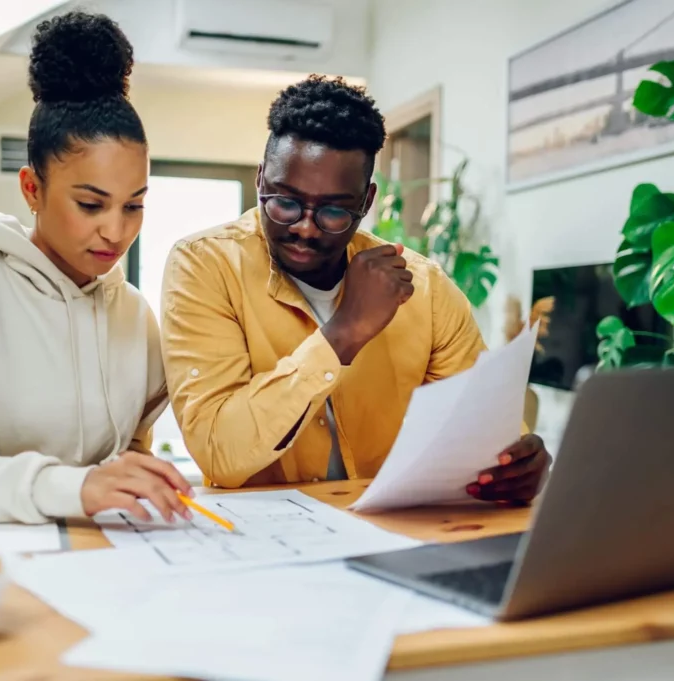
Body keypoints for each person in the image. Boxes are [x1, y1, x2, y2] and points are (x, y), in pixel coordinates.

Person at [160, 76, 551, 501]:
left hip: (388, 530)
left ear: (366, 202)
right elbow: (220, 453)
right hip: (259, 540)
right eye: (285, 203)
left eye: (332, 211)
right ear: (260, 180)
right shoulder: (205, 265)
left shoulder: (426, 289)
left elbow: (484, 428)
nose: (305, 227)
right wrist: (343, 332)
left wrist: (517, 463)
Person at [0, 11, 193, 524]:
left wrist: (138, 473)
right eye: (91, 204)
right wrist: (69, 487)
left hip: (94, 556)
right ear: (32, 190)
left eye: (134, 205)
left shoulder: (132, 312)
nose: (116, 231)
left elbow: (133, 442)